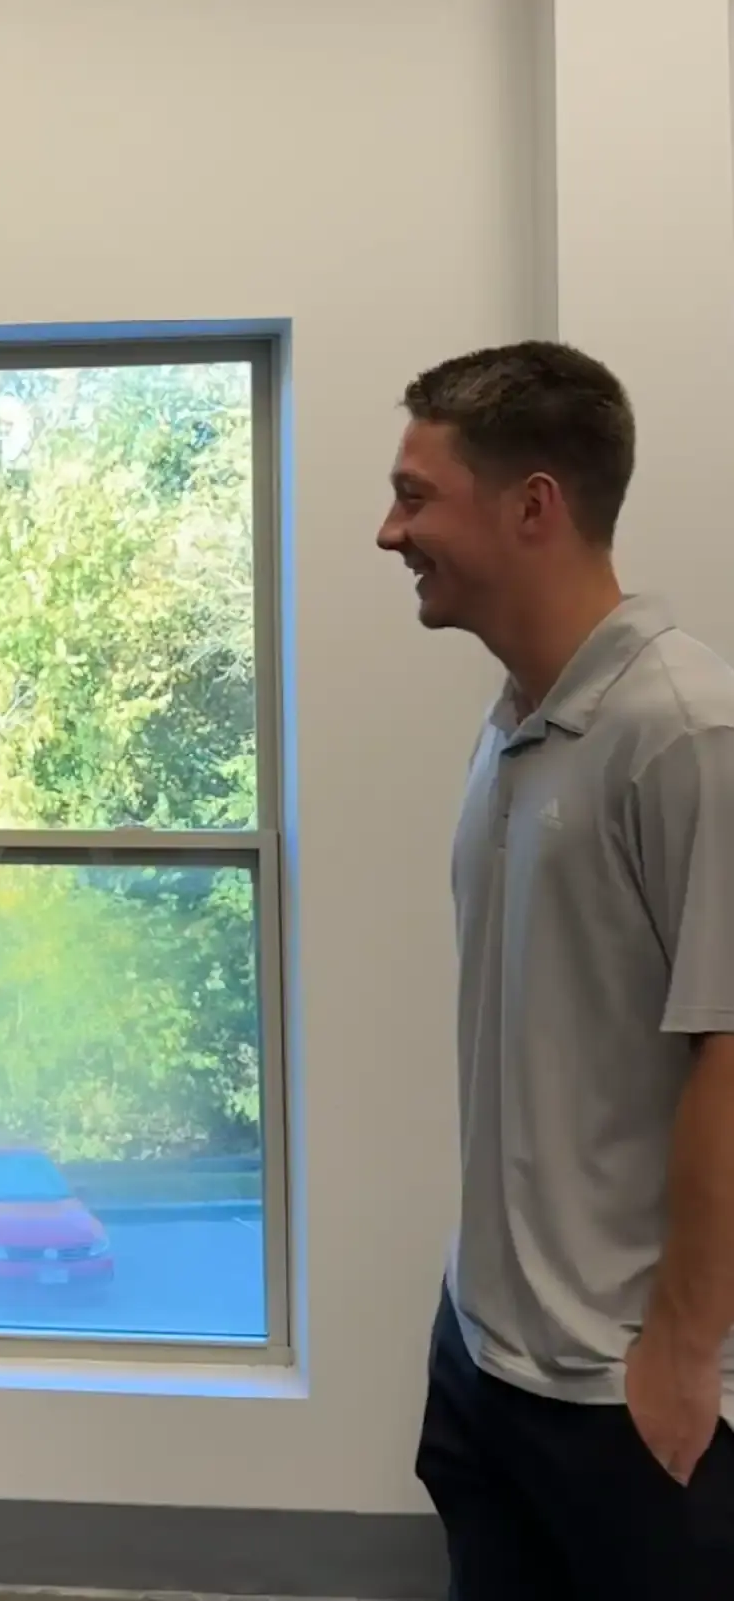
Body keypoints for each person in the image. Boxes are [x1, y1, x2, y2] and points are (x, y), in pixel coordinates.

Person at [378, 341, 734, 1596]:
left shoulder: (686, 731)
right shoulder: (515, 724)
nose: (389, 531)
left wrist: (680, 1356)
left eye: (415, 497)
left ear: (534, 505)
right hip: (485, 1360)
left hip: (622, 1392)